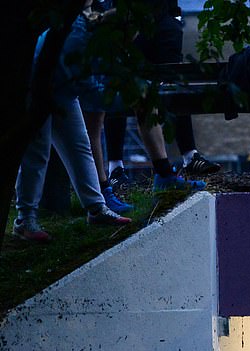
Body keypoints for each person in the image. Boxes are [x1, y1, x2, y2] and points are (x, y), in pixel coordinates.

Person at [12, 3, 132, 243]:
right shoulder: (80, 39)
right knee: (37, 154)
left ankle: (96, 208)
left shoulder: (91, 37)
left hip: (61, 91)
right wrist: (129, 101)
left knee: (79, 145)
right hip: (37, 89)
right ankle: (25, 220)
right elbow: (90, 90)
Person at [103, 0, 218, 192]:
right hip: (126, 19)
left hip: (160, 18)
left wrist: (173, 17)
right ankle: (116, 169)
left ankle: (188, 156)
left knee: (171, 81)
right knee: (121, 87)